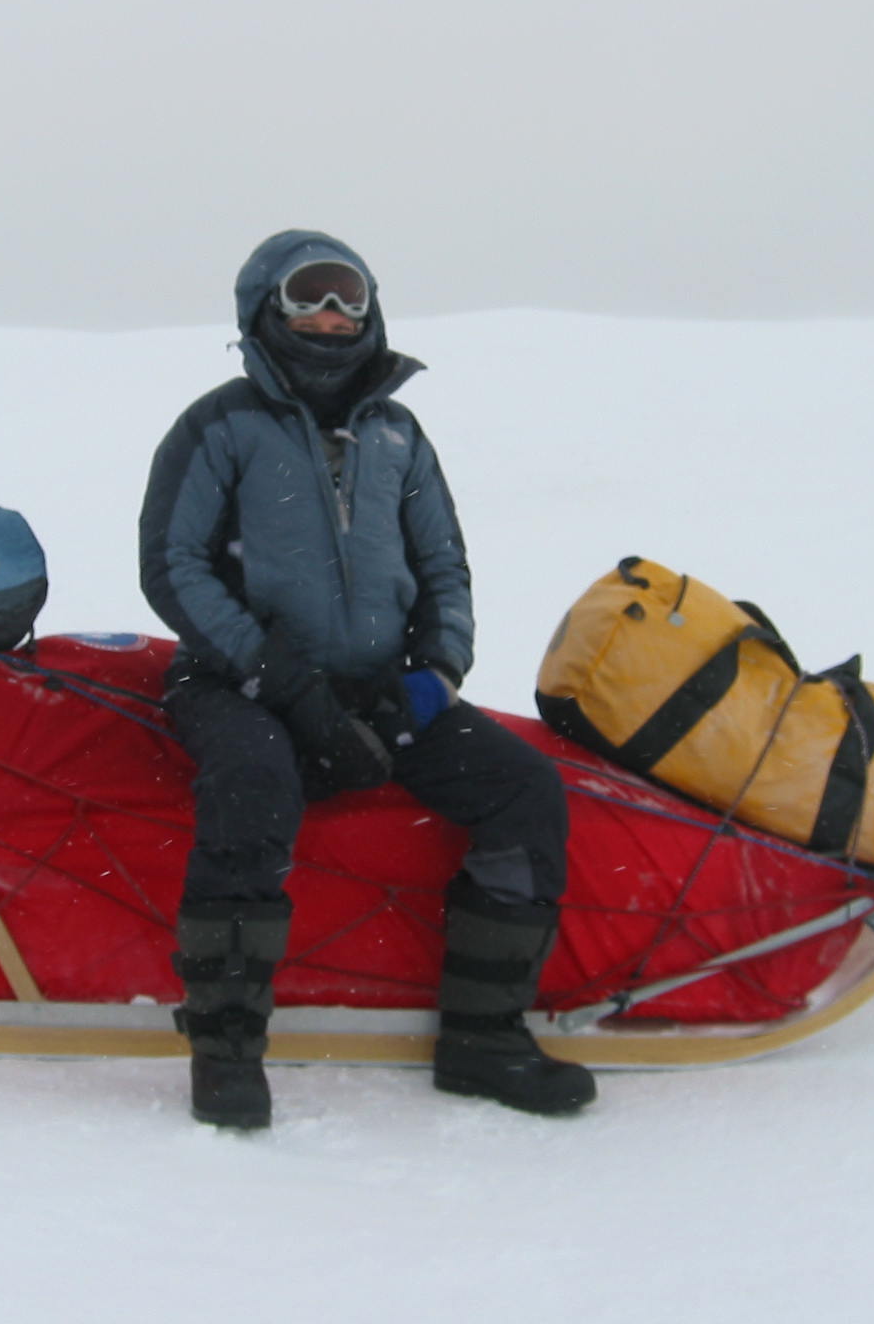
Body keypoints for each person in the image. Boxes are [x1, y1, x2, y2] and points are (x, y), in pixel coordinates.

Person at [139, 229, 595, 1129]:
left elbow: (445, 569)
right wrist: (280, 679)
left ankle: (483, 1038)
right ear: (268, 308)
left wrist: (429, 680)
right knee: (253, 783)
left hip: (382, 685)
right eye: (310, 295)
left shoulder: (396, 433)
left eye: (348, 296)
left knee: (524, 792)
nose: (331, 315)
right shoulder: (220, 425)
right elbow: (175, 564)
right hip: (236, 680)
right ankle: (227, 1048)